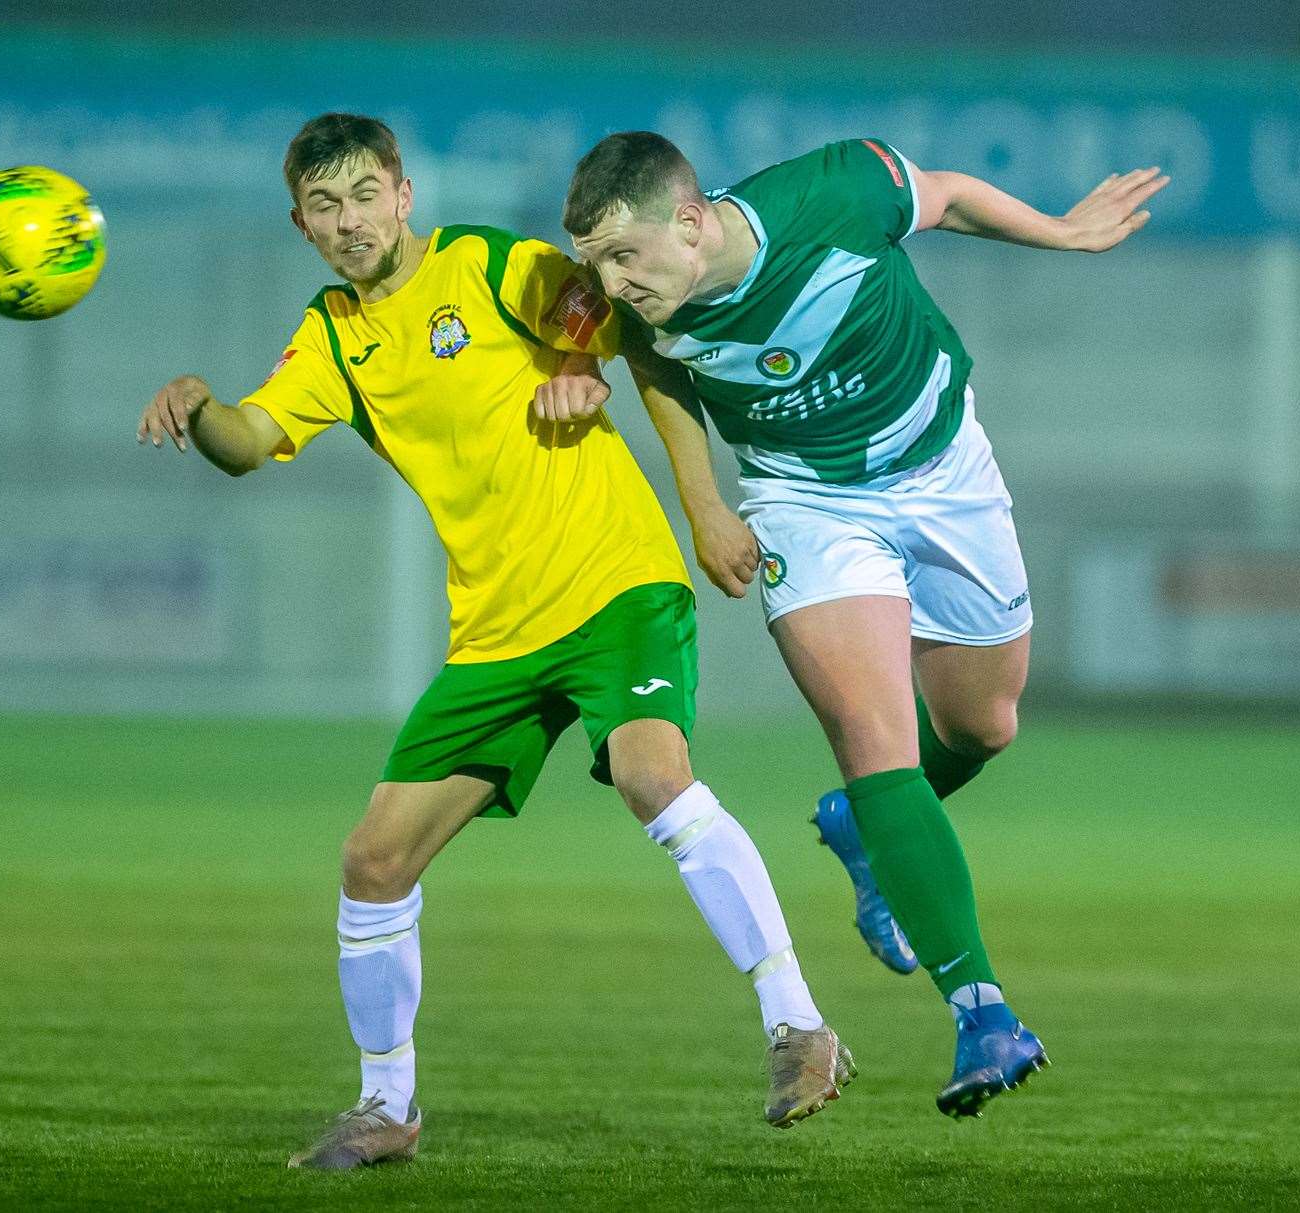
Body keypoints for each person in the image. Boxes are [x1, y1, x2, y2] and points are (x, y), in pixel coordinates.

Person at [136, 113, 853, 1169]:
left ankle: (797, 1024)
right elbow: (248, 440)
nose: (348, 222)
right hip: (496, 631)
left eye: (364, 195)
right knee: (374, 861)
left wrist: (688, 490)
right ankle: (386, 1107)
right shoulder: (334, 334)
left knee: (654, 778)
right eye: (324, 207)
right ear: (300, 222)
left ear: (402, 192)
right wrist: (201, 407)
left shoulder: (486, 266)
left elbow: (632, 333)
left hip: (614, 584)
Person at [561, 130, 1168, 1117]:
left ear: (689, 218)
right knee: (873, 742)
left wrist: (1061, 234)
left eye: (625, 255)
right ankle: (982, 1013)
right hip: (806, 507)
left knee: (982, 725)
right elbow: (653, 363)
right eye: (596, 262)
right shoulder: (641, 302)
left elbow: (950, 194)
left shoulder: (837, 192)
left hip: (942, 471)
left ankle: (861, 829)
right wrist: (705, 502)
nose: (612, 281)